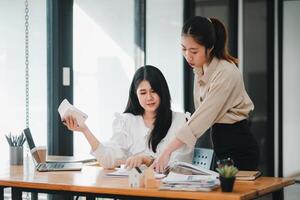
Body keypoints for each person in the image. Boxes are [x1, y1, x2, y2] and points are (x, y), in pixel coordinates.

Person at [153, 16, 259, 172]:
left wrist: (167, 151)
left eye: (194, 51)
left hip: (239, 148)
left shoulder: (226, 72)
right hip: (220, 145)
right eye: (183, 49)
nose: (188, 56)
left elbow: (202, 118)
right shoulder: (200, 70)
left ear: (209, 48)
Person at [63, 65, 192, 169]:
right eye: (143, 92)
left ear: (162, 92)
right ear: (135, 95)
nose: (149, 97)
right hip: (133, 190)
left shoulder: (180, 121)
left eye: (154, 91)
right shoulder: (126, 121)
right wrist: (85, 130)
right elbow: (108, 161)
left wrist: (146, 160)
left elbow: (181, 167)